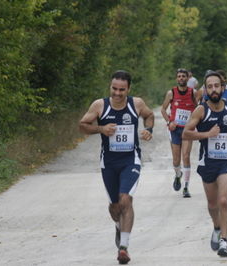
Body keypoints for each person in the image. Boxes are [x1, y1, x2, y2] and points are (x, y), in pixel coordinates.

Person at [79, 70, 154, 264]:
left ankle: (124, 248)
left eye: (122, 89)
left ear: (128, 89)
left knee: (126, 199)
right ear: (110, 87)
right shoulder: (99, 105)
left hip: (131, 160)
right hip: (109, 163)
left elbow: (149, 115)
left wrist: (148, 129)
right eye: (114, 88)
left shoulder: (136, 104)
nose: (118, 93)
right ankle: (118, 226)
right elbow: (83, 125)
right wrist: (100, 129)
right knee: (114, 206)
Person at [183, 71, 227, 257]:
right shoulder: (201, 110)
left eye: (216, 86)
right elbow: (186, 133)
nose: (213, 89)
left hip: (226, 160)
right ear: (205, 90)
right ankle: (217, 227)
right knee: (212, 204)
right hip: (207, 162)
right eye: (209, 87)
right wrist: (206, 135)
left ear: (223, 87)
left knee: (223, 200)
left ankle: (224, 242)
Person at [161, 68, 198, 198]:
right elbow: (163, 110)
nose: (181, 78)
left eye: (183, 76)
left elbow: (199, 109)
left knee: (186, 156)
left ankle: (186, 187)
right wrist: (169, 122)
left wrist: (194, 122)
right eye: (179, 76)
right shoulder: (171, 93)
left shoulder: (193, 93)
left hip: (188, 130)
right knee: (176, 160)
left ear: (188, 79)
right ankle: (178, 175)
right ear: (177, 79)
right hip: (175, 130)